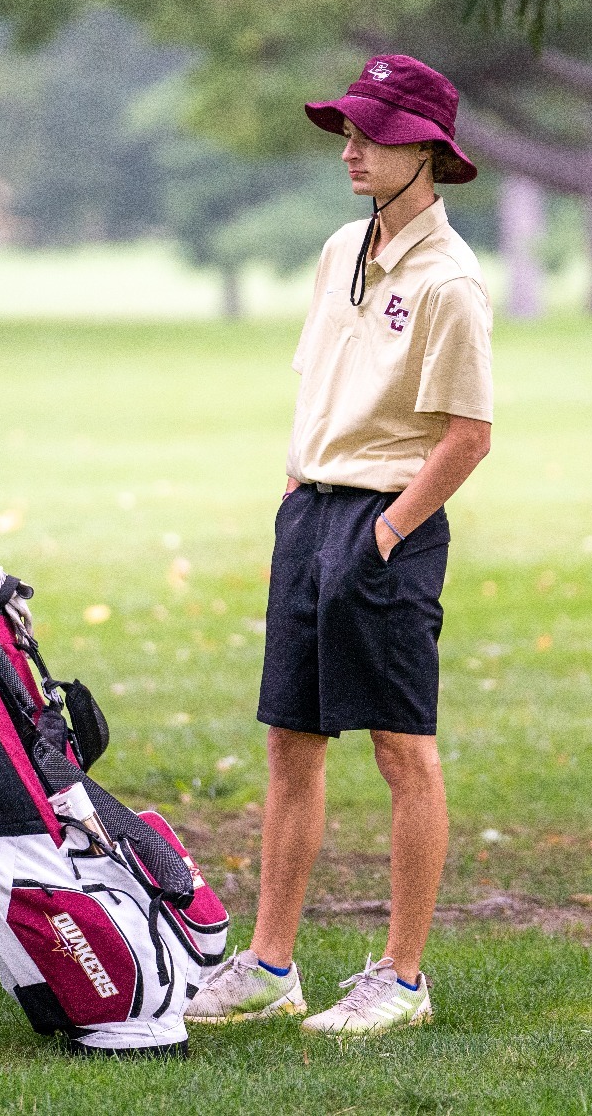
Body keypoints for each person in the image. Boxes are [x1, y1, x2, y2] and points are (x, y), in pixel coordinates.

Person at [188, 55, 493, 1036]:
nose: (351, 149)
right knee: (290, 741)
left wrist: (385, 532)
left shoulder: (450, 283)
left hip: (384, 525)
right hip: (309, 513)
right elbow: (313, 384)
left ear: (427, 153)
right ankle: (272, 964)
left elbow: (467, 435)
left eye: (371, 133)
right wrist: (294, 494)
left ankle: (402, 978)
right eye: (347, 131)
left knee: (402, 749)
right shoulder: (335, 250)